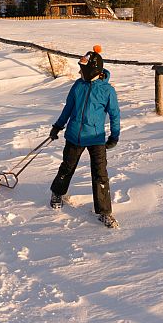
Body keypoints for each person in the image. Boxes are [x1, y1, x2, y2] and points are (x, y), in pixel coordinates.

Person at [48, 45, 121, 228]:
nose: (80, 72)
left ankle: (104, 211)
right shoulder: (78, 85)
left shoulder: (107, 91)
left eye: (83, 69)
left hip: (96, 137)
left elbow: (115, 114)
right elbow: (68, 108)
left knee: (100, 174)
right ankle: (57, 192)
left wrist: (115, 136)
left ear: (92, 70)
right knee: (67, 166)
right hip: (74, 135)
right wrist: (58, 126)